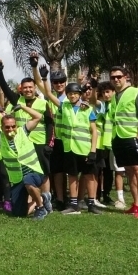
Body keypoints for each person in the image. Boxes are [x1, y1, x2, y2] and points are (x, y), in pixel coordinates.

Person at [0, 56, 54, 207]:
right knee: (27, 173)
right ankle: (34, 201)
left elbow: (50, 124)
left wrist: (49, 143)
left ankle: (46, 198)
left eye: (31, 87)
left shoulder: (43, 103)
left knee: (43, 173)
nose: (28, 90)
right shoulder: (17, 101)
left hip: (39, 142)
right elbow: (4, 87)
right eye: (25, 88)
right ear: (21, 89)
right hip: (22, 145)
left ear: (35, 88)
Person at [0, 103, 49, 220]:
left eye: (13, 126)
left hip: (34, 171)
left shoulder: (23, 131)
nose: (10, 129)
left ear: (16, 126)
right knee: (18, 213)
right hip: (17, 179)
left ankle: (41, 209)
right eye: (7, 127)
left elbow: (38, 116)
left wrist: (22, 107)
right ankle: (42, 199)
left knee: (28, 180)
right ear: (2, 128)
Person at [44, 82, 100, 215]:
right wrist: (45, 79)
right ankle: (73, 203)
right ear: (67, 95)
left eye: (75, 93)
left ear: (80, 95)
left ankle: (91, 203)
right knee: (72, 175)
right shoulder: (64, 107)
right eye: (70, 94)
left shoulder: (87, 108)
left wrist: (93, 151)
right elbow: (49, 94)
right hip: (69, 148)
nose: (72, 95)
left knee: (89, 176)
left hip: (85, 148)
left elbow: (94, 131)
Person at [108, 66, 138, 218]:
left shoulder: (135, 92)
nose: (116, 79)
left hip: (132, 138)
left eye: (118, 76)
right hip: (118, 138)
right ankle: (137, 204)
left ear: (126, 76)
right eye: (113, 77)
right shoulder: (114, 96)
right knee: (129, 171)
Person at [36, 65, 68, 210]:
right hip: (53, 139)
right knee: (55, 171)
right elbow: (39, 84)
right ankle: (58, 198)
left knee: (66, 171)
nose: (59, 84)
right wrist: (34, 67)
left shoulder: (71, 96)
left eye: (61, 81)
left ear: (66, 82)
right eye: (55, 82)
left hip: (66, 138)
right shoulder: (50, 96)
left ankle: (65, 198)